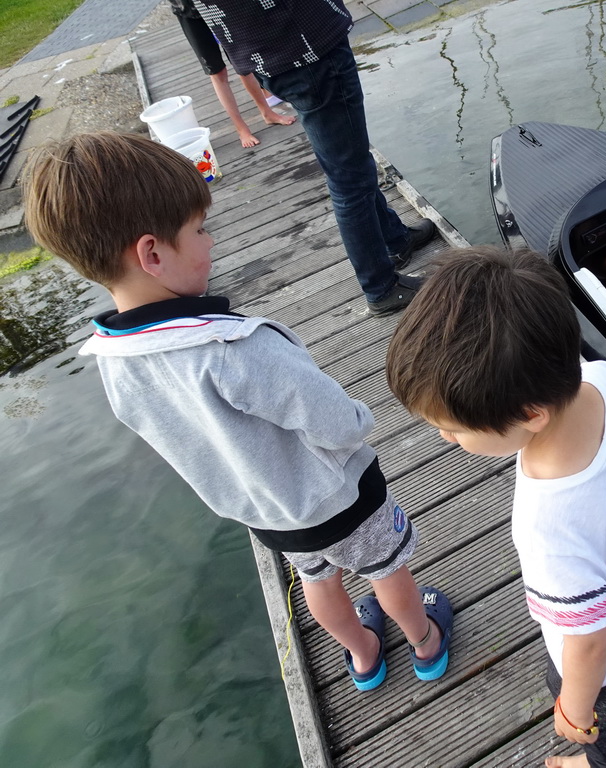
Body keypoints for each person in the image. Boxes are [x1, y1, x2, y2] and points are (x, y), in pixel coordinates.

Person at [22, 131, 454, 692]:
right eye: (198, 231)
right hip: (339, 495)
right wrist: (359, 424)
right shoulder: (234, 348)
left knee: (319, 582)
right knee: (385, 570)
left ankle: (364, 654)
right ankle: (425, 643)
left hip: (266, 515)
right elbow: (335, 420)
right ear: (152, 254)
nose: (210, 240)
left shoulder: (112, 361)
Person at [387, 247, 606, 768]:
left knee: (590, 712)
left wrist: (576, 711)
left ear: (531, 413)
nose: (444, 439)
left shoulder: (546, 517)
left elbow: (587, 642)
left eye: (452, 428)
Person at [190, 0, 436, 315]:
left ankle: (395, 239)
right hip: (306, 48)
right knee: (349, 178)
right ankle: (381, 287)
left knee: (351, 162)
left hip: (269, 51)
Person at [168, 0, 296, 148]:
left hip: (221, 6)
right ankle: (241, 129)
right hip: (188, 11)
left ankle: (267, 112)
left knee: (243, 62)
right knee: (217, 73)